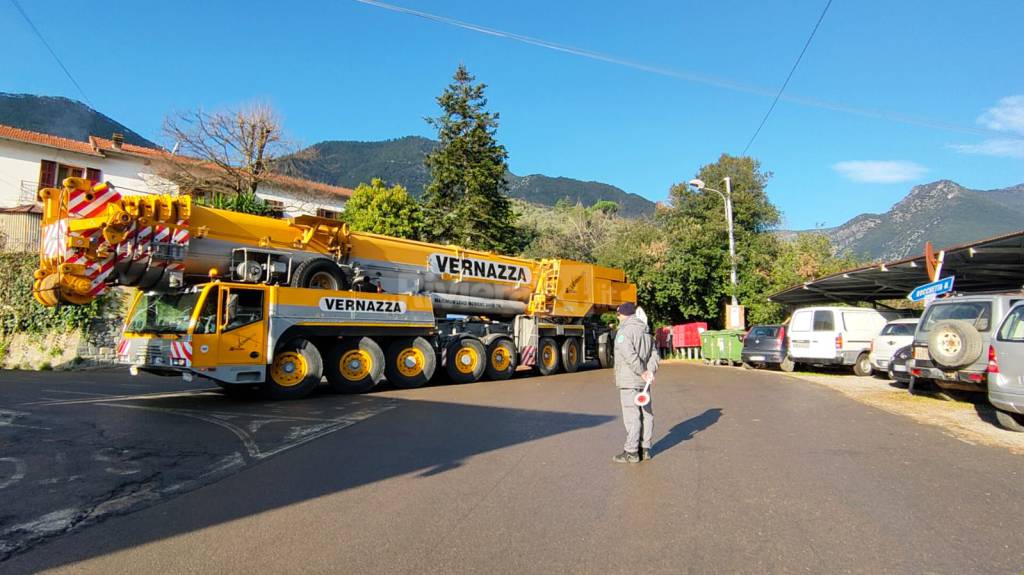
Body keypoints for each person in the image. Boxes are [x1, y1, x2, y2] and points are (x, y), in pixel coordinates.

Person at [612, 301, 659, 463]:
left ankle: (631, 451)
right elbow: (654, 354)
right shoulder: (646, 330)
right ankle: (645, 449)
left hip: (630, 380)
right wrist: (649, 371)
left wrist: (642, 372)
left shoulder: (624, 331)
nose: (617, 318)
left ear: (622, 314)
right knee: (646, 414)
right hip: (643, 382)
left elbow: (628, 354)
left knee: (632, 415)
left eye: (617, 314)